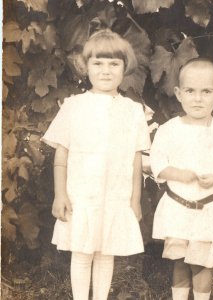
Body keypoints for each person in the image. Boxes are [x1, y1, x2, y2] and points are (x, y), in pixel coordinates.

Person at [42, 29, 150, 300]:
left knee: (105, 251)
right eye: (98, 63)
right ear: (85, 66)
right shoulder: (74, 106)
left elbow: (136, 158)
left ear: (125, 68)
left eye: (114, 64)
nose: (106, 71)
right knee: (81, 251)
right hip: (82, 194)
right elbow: (61, 155)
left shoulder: (133, 110)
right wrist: (60, 194)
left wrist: (135, 199)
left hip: (115, 195)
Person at [150, 58, 213, 300]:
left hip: (211, 208)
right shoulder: (169, 130)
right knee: (180, 261)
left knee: (202, 263)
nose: (197, 99)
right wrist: (179, 174)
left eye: (206, 92)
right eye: (190, 91)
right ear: (178, 94)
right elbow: (158, 164)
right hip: (179, 207)